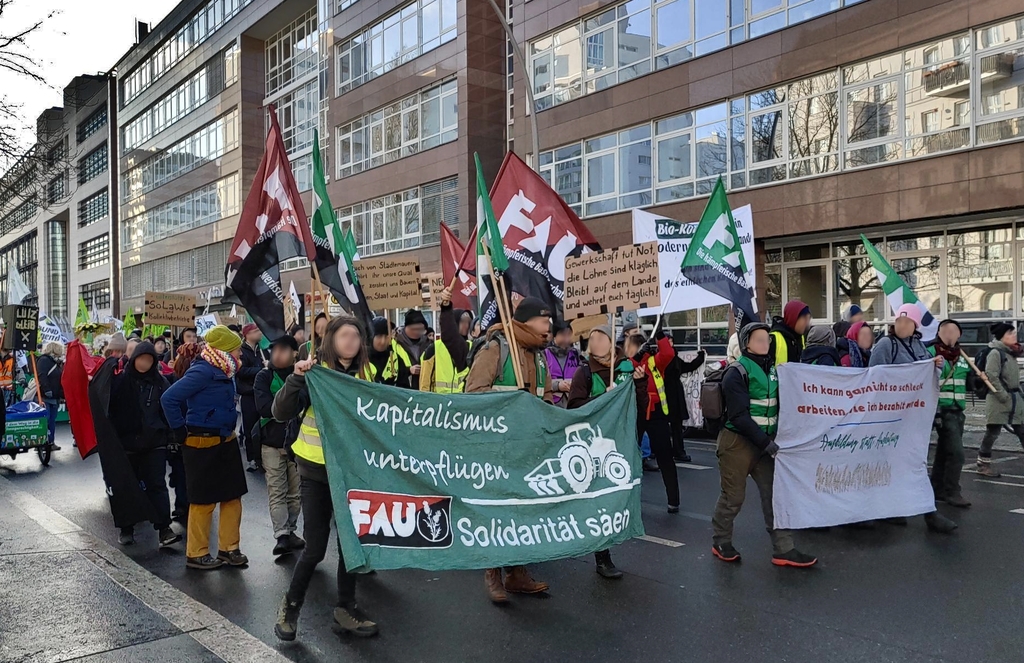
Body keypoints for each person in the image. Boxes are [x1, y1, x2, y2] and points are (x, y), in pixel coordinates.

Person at [273, 316, 378, 640]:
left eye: (355, 336)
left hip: (351, 473)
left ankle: (346, 609)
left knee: (351, 545)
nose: (350, 341)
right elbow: (280, 412)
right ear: (330, 340)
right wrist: (296, 379)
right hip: (316, 472)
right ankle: (290, 607)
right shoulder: (315, 374)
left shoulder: (367, 375)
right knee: (315, 548)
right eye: (344, 335)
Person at [466, 296, 553, 604]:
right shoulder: (497, 349)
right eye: (544, 320)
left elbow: (545, 399)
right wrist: (512, 402)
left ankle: (517, 572)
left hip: (528, 448)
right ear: (527, 321)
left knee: (522, 510)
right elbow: (473, 393)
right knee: (497, 511)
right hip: (497, 448)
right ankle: (492, 572)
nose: (549, 326)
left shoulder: (540, 357)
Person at [712, 322, 817, 567]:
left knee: (776, 498)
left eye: (767, 340)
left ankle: (784, 549)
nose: (765, 344)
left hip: (764, 444)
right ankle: (721, 541)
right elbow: (738, 416)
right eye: (759, 340)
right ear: (747, 343)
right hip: (737, 443)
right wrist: (766, 443)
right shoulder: (736, 372)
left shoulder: (774, 370)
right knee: (733, 497)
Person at [161, 326, 250, 570]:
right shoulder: (203, 370)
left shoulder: (226, 369)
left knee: (232, 496)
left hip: (225, 439)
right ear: (224, 349)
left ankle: (229, 549)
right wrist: (179, 430)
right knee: (203, 500)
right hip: (201, 441)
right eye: (237, 349)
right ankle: (196, 552)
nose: (240, 353)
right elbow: (169, 398)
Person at [868, 304, 957, 533]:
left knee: (912, 463)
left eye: (907, 322)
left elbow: (930, 376)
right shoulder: (886, 345)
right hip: (890, 418)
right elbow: (873, 378)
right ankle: (924, 513)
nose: (901, 325)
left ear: (915, 325)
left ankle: (909, 510)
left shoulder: (918, 346)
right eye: (898, 321)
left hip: (913, 417)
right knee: (899, 465)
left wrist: (936, 364)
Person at [567, 324, 638, 579]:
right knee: (597, 498)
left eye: (601, 338)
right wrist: (603, 399)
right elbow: (574, 406)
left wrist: (639, 384)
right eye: (592, 339)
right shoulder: (584, 373)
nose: (596, 343)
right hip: (592, 446)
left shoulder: (626, 368)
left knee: (614, 496)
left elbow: (638, 404)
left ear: (611, 341)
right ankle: (602, 556)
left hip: (621, 442)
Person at [104, 341, 181, 548]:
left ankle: (164, 528)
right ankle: (126, 528)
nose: (145, 363)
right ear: (134, 358)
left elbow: (169, 408)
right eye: (142, 359)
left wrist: (170, 436)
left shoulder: (160, 382)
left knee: (157, 485)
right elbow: (107, 408)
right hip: (126, 443)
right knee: (126, 487)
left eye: (149, 360)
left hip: (154, 442)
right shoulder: (119, 381)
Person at [254, 336, 306, 556]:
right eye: (274, 349)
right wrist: (286, 403)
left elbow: (303, 404)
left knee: (295, 493)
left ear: (295, 353)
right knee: (277, 490)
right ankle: (281, 534)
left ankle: (291, 529)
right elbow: (265, 408)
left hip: (298, 444)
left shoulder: (304, 376)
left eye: (283, 349)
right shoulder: (264, 376)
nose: (277, 354)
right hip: (272, 443)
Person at [622, 326, 679, 512]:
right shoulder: (629, 362)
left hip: (655, 413)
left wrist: (660, 335)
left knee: (665, 457)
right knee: (628, 457)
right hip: (635, 412)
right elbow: (624, 370)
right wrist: (638, 357)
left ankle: (673, 500)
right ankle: (624, 497)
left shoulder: (655, 361)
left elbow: (669, 353)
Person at [928, 320, 971, 507]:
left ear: (959, 335)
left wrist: (978, 381)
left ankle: (936, 487)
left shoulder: (962, 356)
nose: (949, 334)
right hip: (941, 411)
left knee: (945, 451)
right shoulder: (931, 353)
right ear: (938, 333)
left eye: (953, 330)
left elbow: (966, 382)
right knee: (957, 453)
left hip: (958, 410)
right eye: (944, 330)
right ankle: (952, 491)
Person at [976, 322, 1024, 479]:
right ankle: (983, 464)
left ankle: (983, 463)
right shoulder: (996, 353)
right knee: (993, 432)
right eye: (1010, 333)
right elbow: (991, 376)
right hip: (999, 400)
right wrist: (1003, 395)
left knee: (1022, 430)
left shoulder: (1010, 353)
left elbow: (1013, 379)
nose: (1014, 336)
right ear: (1001, 337)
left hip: (1014, 400)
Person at [420, 289, 470, 394]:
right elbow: (426, 380)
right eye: (462, 321)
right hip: (440, 404)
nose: (466, 325)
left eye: (468, 322)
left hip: (463, 402)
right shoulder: (434, 348)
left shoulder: (470, 346)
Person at [664, 343, 707, 463]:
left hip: (668, 395)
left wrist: (700, 357)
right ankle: (677, 451)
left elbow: (688, 366)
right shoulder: (672, 360)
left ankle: (670, 451)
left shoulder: (669, 359)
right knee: (674, 426)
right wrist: (700, 357)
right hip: (672, 395)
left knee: (671, 426)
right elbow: (688, 367)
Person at [237, 323, 267, 472]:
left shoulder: (262, 350)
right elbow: (241, 370)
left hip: (261, 394)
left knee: (263, 427)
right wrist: (261, 369)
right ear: (247, 334)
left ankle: (262, 457)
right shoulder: (242, 351)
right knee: (249, 428)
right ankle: (251, 458)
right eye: (256, 331)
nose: (259, 333)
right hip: (248, 395)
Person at [367, 317, 412, 388]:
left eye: (387, 336)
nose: (383, 341)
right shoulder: (361, 359)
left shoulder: (396, 360)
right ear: (371, 337)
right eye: (379, 336)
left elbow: (405, 390)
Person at [545, 321, 581, 407]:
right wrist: (557, 385)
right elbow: (541, 382)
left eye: (569, 334)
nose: (566, 339)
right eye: (563, 335)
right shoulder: (545, 355)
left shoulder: (576, 354)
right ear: (554, 337)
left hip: (572, 402)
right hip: (552, 404)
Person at [36, 341, 65, 451]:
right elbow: (42, 376)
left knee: (52, 420)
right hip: (45, 396)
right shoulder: (44, 360)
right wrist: (47, 389)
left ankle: (50, 441)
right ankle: (43, 442)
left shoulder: (54, 362)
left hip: (54, 396)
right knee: (46, 420)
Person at [395, 310, 431, 389]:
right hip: (403, 390)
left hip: (423, 390)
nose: (417, 332)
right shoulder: (395, 344)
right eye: (414, 329)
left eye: (421, 329)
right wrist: (408, 370)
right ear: (406, 327)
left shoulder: (428, 344)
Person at [770, 300, 811, 366]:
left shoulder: (801, 338)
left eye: (808, 319)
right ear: (793, 318)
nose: (807, 323)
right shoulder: (774, 338)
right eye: (804, 318)